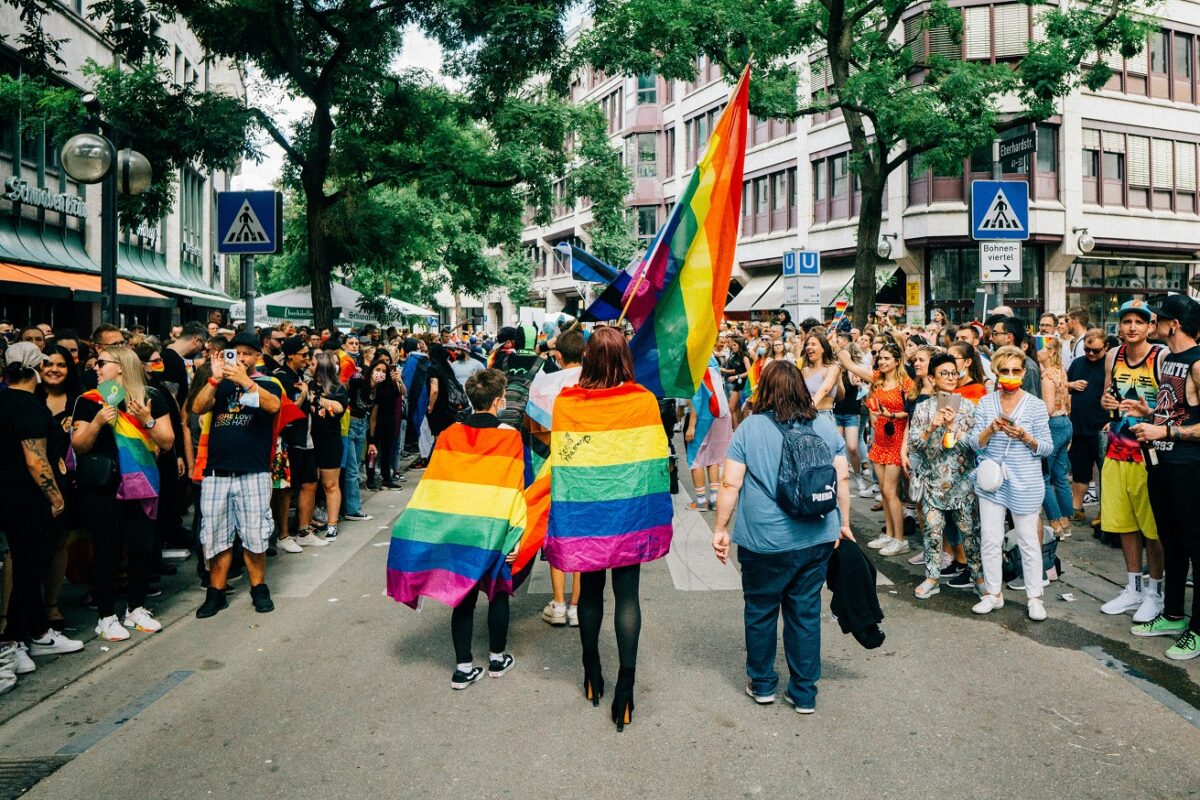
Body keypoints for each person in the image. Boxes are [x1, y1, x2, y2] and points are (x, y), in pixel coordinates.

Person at [543, 326, 673, 732]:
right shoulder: (643, 401)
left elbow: (562, 460)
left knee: (592, 591)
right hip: (629, 515)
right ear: (625, 359)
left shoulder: (567, 403)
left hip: (586, 514)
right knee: (628, 596)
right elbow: (655, 464)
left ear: (588, 358)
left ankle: (590, 671)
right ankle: (626, 689)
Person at [712, 360, 853, 713]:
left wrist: (720, 529)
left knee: (760, 610)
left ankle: (762, 685)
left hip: (764, 540)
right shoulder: (822, 425)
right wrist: (843, 524)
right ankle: (804, 692)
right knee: (805, 611)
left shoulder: (750, 428)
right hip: (817, 535)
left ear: (765, 389)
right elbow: (843, 479)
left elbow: (730, 482)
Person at [385, 369, 525, 688]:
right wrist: (515, 534)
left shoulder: (449, 434)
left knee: (461, 596)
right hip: (493, 529)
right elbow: (515, 489)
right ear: (499, 400)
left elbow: (435, 486)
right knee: (498, 593)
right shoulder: (509, 436)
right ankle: (497, 658)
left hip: (457, 529)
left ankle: (463, 667)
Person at [71, 344, 175, 640]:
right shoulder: (89, 400)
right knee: (106, 550)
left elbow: (166, 442)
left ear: (120, 366)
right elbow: (79, 445)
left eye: (102, 363)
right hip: (105, 486)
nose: (96, 367)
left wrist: (146, 420)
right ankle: (106, 616)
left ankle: (136, 608)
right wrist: (98, 422)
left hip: (142, 482)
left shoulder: (150, 397)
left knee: (142, 549)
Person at [0, 344, 82, 674]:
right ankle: (17, 641)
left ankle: (32, 634)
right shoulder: (29, 408)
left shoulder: (6, 402)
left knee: (23, 569)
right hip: (27, 500)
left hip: (8, 498)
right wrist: (55, 498)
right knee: (29, 571)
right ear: (36, 369)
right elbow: (36, 460)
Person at [189, 332, 283, 618]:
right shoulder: (218, 383)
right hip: (217, 471)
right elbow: (197, 407)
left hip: (253, 471)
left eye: (247, 353)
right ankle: (215, 593)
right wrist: (216, 379)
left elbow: (273, 406)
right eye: (235, 353)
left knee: (255, 533)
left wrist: (245, 381)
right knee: (216, 534)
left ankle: (259, 588)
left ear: (258, 357)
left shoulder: (268, 383)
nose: (241, 358)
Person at [1132, 294, 1200, 659]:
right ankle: (1173, 614)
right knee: (1171, 543)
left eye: (1158, 319)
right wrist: (1149, 413)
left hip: (1190, 468)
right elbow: (1177, 409)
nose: (1153, 324)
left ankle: (1198, 630)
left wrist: (1167, 433)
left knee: (1195, 547)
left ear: (1175, 324)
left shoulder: (1198, 363)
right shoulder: (1170, 359)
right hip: (1162, 466)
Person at [969, 346, 1053, 619]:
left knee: (1028, 539)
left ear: (1023, 371)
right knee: (990, 539)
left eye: (1016, 370)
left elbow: (1047, 448)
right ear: (996, 371)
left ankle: (1034, 596)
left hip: (1026, 480)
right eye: (1004, 371)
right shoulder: (985, 403)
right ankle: (993, 593)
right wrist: (990, 430)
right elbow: (973, 444)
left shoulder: (1036, 405)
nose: (1010, 376)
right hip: (992, 480)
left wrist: (1026, 437)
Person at [1098, 301, 1167, 622]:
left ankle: (1156, 592)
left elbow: (1174, 413)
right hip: (1117, 450)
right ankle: (1132, 588)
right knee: (1124, 524)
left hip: (1149, 455)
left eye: (1140, 321)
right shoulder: (1113, 356)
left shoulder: (1161, 357)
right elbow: (1105, 399)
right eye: (1126, 321)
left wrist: (1148, 413)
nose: (1132, 327)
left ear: (1151, 326)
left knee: (1152, 529)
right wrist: (1107, 403)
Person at [907, 354, 982, 599]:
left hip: (962, 482)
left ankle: (978, 575)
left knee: (969, 531)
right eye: (944, 373)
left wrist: (951, 428)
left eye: (954, 373)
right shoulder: (923, 408)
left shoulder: (969, 407)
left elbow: (973, 446)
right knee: (932, 531)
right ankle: (932, 577)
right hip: (932, 482)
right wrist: (931, 427)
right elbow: (915, 444)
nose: (950, 378)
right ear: (932, 378)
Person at [526, 329, 584, 627]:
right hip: (586, 470)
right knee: (582, 536)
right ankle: (577, 607)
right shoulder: (594, 384)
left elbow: (533, 428)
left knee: (558, 536)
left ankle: (559, 603)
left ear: (558, 355)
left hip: (553, 468)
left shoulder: (544, 385)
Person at [839, 342, 914, 556]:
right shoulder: (877, 379)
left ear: (898, 361)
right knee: (883, 490)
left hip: (897, 439)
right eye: (880, 358)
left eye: (887, 358)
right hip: (879, 438)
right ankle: (889, 534)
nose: (882, 361)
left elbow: (912, 414)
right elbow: (850, 365)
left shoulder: (906, 384)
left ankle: (900, 539)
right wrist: (838, 344)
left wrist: (892, 415)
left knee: (891, 491)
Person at [36, 345, 82, 628]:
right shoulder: (28, 397)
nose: (53, 369)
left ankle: (52, 605)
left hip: (67, 481)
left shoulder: (79, 401)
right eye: (47, 364)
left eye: (61, 364)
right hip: (31, 482)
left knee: (58, 544)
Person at [306, 351, 349, 540]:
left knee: (330, 484)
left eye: (313, 363)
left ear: (322, 367)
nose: (309, 365)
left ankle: (332, 524)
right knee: (309, 485)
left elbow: (339, 408)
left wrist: (316, 399)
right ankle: (307, 524)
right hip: (308, 441)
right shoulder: (307, 385)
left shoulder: (337, 388)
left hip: (329, 441)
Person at [1067, 329, 1108, 524]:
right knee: (1079, 470)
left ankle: (1105, 511)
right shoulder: (1078, 363)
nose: (1091, 354)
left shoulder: (1110, 365)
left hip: (1102, 426)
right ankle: (1077, 507)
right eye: (1087, 350)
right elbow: (1064, 384)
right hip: (1079, 426)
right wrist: (1072, 385)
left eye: (1096, 350)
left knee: (1106, 473)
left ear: (1106, 348)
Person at [684, 351, 733, 512]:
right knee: (714, 457)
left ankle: (700, 501)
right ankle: (713, 498)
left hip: (704, 418)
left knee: (696, 457)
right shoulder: (713, 362)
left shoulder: (695, 365)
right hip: (722, 415)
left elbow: (695, 400)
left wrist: (691, 426)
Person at [1038, 337, 1074, 537]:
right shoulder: (1061, 371)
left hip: (1053, 426)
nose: (1039, 351)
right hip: (1066, 423)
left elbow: (1048, 409)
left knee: (1043, 476)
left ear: (1051, 352)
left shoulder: (1047, 376)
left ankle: (1055, 521)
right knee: (1060, 476)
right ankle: (1066, 521)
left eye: (1042, 348)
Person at [797, 333, 840, 422]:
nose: (808, 347)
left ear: (823, 348)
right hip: (805, 417)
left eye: (813, 344)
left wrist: (809, 409)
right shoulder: (804, 370)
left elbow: (825, 390)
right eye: (807, 344)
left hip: (823, 416)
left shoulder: (832, 368)